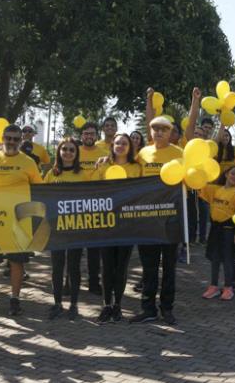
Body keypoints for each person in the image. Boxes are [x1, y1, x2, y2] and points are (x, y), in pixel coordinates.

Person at [131, 86, 201, 325]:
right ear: (150, 132)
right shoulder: (142, 153)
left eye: (164, 129)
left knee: (169, 267)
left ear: (171, 132)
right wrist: (149, 99)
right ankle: (148, 308)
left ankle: (167, 308)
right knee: (149, 267)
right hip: (147, 219)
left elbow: (191, 127)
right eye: (155, 129)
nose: (159, 132)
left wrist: (195, 101)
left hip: (171, 219)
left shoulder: (179, 152)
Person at [0, 124, 43, 316]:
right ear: (2, 139)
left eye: (16, 139)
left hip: (19, 221)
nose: (12, 142)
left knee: (17, 262)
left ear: (21, 141)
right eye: (9, 138)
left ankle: (15, 299)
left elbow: (38, 190)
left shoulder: (29, 162)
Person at [95, 133, 142, 323]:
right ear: (112, 145)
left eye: (124, 143)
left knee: (121, 266)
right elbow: (93, 190)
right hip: (106, 222)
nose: (121, 146)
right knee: (107, 266)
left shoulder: (137, 167)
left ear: (130, 147)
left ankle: (118, 306)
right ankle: (106, 305)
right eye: (117, 143)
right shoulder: (103, 164)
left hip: (127, 223)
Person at [43, 138, 87, 320]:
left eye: (71, 150)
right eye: (64, 149)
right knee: (57, 267)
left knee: (74, 267)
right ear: (59, 152)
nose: (68, 152)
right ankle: (57, 303)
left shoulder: (84, 174)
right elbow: (42, 196)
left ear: (76, 154)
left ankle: (74, 305)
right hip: (55, 228)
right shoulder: (51, 174)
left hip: (76, 227)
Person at [200, 166, 235, 301]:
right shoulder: (216, 189)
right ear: (226, 174)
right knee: (214, 258)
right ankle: (213, 286)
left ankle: (228, 287)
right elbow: (200, 186)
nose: (234, 177)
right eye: (232, 173)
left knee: (227, 260)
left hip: (229, 230)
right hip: (215, 228)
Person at [77, 122, 110, 295]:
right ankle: (71, 281)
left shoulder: (105, 154)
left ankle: (93, 282)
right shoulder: (74, 152)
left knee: (94, 248)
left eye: (92, 134)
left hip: (97, 205)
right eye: (86, 133)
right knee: (73, 247)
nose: (89, 136)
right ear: (81, 136)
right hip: (76, 206)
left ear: (96, 136)